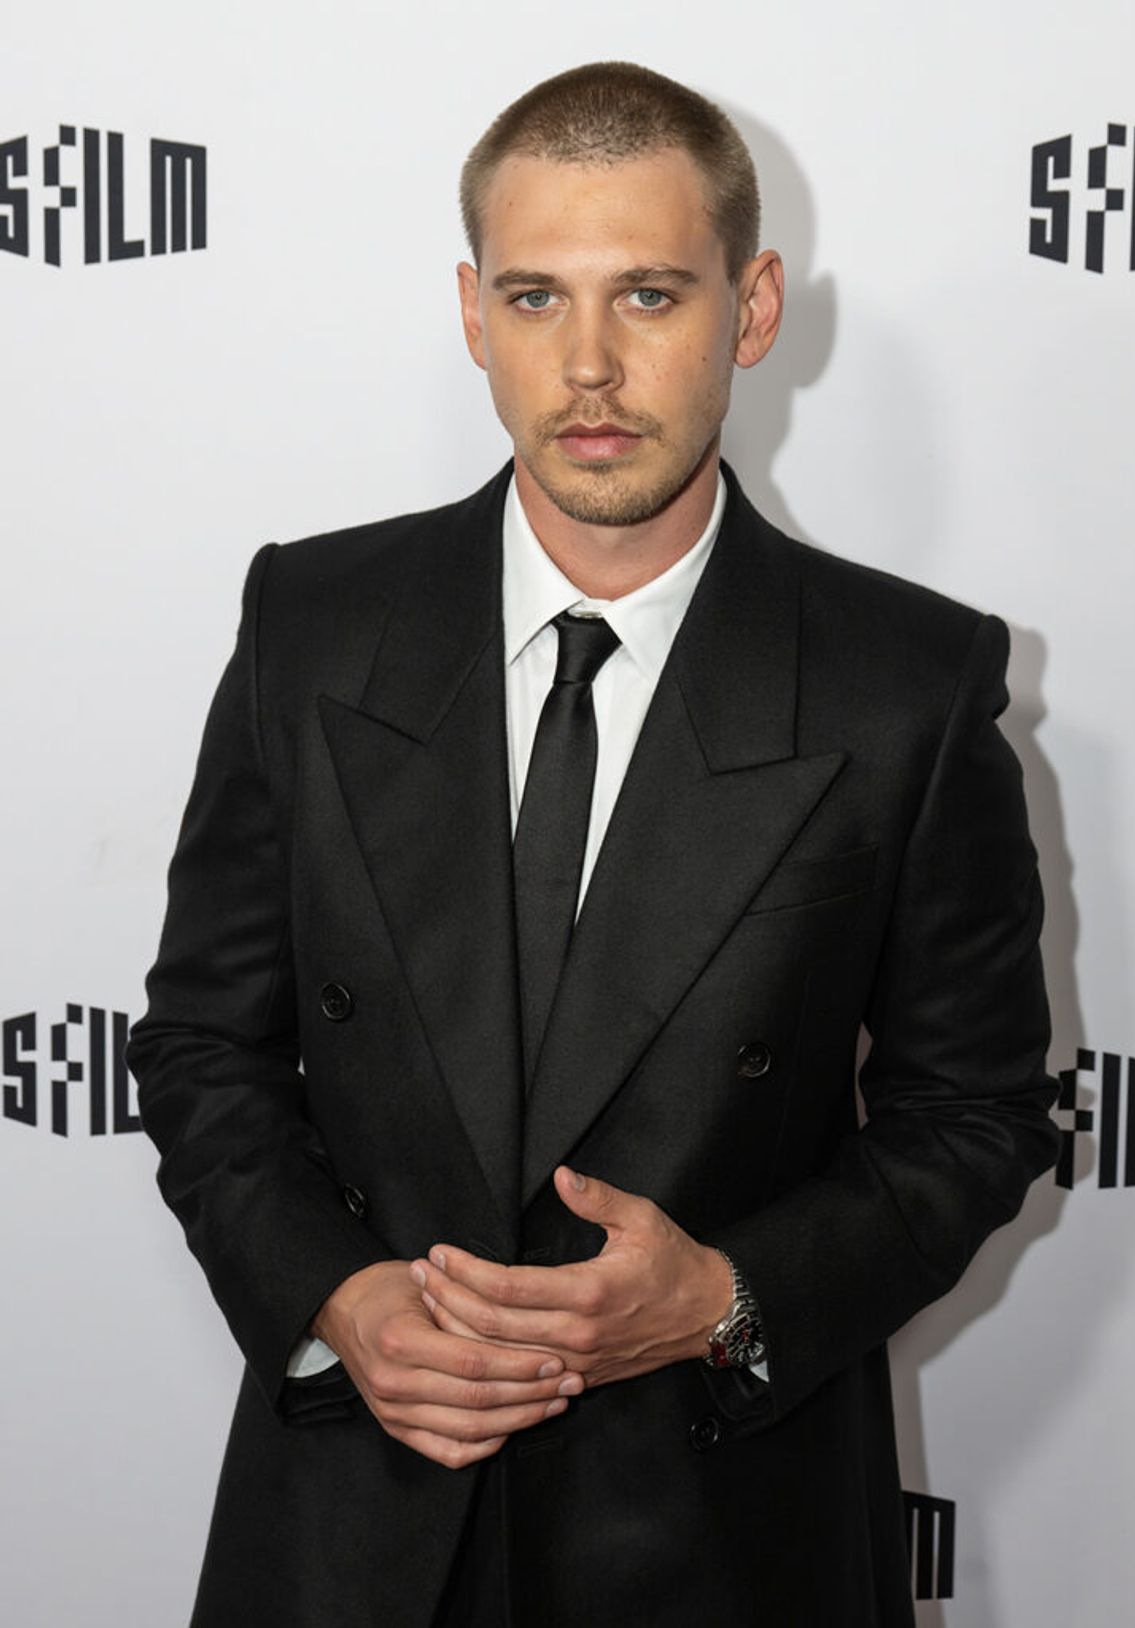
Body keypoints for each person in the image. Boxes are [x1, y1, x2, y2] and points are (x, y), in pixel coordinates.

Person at [129, 60, 1060, 1628]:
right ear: (473, 315)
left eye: (648, 295)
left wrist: (727, 1299)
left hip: (720, 1528)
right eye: (535, 297)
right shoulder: (313, 623)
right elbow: (206, 1047)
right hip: (357, 1520)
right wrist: (338, 1301)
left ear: (752, 310)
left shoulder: (907, 684)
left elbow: (972, 1115)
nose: (589, 369)